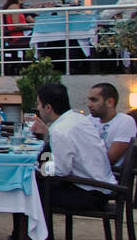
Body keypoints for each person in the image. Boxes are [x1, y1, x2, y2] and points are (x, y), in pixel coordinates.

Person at [30, 82, 116, 216]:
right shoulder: (77, 118)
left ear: (48, 107)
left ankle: (28, 237)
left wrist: (37, 169)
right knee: (37, 184)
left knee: (27, 190)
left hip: (89, 194)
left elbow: (60, 170)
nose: (38, 108)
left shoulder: (60, 130)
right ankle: (36, 236)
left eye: (39, 104)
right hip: (101, 187)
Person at [86, 82, 137, 169]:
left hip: (103, 175)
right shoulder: (89, 119)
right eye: (89, 100)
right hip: (86, 170)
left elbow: (110, 160)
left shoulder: (124, 121)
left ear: (109, 102)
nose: (89, 105)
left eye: (94, 100)